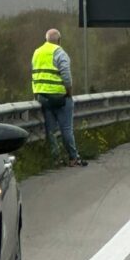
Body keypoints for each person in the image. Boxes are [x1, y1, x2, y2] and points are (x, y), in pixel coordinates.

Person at [32, 29, 86, 166]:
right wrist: (69, 92)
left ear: (46, 39)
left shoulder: (37, 52)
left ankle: (55, 158)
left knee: (50, 130)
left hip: (43, 97)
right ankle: (73, 157)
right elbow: (66, 77)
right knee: (66, 129)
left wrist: (36, 94)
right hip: (60, 97)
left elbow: (34, 74)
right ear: (59, 41)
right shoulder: (59, 52)